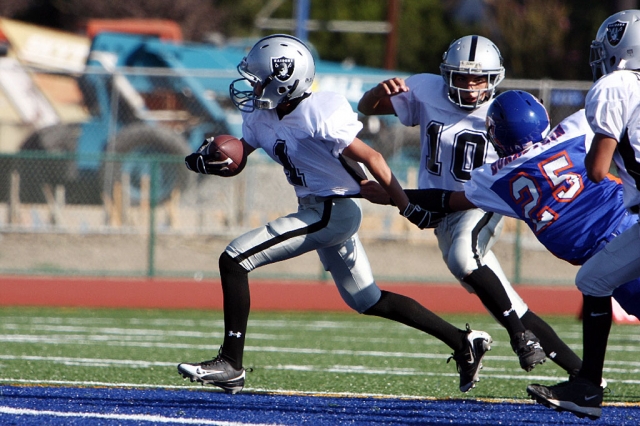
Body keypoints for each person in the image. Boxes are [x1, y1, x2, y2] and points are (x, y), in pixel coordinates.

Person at [176, 34, 493, 395]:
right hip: (316, 207)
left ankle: (230, 363)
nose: (252, 86)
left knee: (234, 259)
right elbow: (239, 154)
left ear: (284, 81)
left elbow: (372, 158)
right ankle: (462, 341)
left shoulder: (318, 111)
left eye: (259, 79)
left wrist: (405, 204)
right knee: (367, 299)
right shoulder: (261, 116)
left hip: (334, 211)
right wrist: (210, 160)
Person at [358, 35, 581, 376]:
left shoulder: (507, 111)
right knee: (505, 301)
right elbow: (367, 108)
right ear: (446, 74)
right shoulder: (426, 89)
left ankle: (520, 337)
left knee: (465, 257)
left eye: (478, 78)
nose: (469, 85)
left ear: (495, 79)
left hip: (480, 200)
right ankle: (583, 373)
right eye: (461, 76)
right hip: (439, 208)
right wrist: (378, 92)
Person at [526, 10, 640, 420]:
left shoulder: (618, 83)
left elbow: (596, 168)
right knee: (594, 278)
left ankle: (589, 386)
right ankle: (588, 388)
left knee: (593, 278)